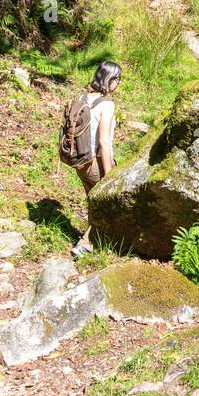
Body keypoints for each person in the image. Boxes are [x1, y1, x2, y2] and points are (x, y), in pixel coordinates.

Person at [66, 61, 122, 257]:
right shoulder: (106, 105)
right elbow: (103, 143)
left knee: (93, 200)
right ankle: (86, 244)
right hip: (95, 163)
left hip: (79, 161)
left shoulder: (83, 97)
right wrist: (109, 175)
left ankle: (94, 239)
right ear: (110, 80)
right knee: (107, 204)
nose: (118, 84)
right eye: (118, 80)